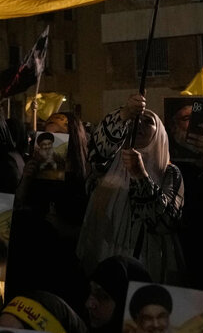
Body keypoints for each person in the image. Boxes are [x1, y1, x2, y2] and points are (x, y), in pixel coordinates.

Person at [76, 95, 185, 283]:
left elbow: (165, 221)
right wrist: (125, 113)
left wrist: (140, 176)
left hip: (146, 262)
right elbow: (99, 149)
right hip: (104, 255)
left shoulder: (169, 173)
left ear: (159, 133)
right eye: (135, 120)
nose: (139, 124)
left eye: (148, 122)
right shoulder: (108, 163)